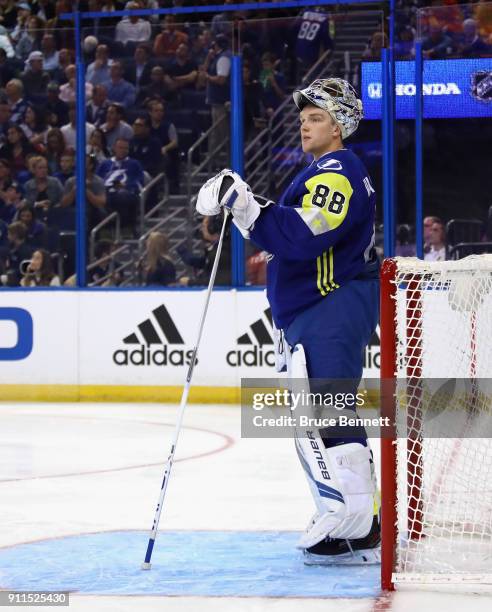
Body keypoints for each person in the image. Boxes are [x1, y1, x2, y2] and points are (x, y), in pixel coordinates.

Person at [196, 78, 380, 564]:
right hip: (322, 309)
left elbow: (301, 237)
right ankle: (356, 521)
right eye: (303, 117)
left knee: (325, 413)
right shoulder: (328, 171)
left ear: (339, 126)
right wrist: (242, 210)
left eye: (316, 117)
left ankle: (353, 522)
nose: (305, 123)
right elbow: (287, 233)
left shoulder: (337, 171)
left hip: (330, 306)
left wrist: (244, 204)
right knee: (325, 413)